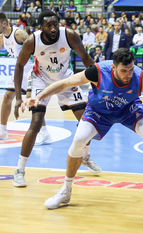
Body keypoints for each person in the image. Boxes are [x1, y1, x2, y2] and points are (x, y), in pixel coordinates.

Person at [21, 48, 143, 218]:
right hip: (98, 112)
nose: (128, 74)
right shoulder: (97, 72)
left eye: (131, 69)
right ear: (114, 68)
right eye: (124, 71)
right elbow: (65, 83)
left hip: (129, 109)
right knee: (79, 139)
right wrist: (39, 97)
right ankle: (66, 190)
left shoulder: (141, 78)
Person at [12, 10, 101, 187]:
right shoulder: (32, 41)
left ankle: (85, 156)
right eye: (48, 25)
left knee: (87, 121)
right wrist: (18, 97)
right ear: (41, 27)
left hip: (66, 79)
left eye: (55, 24)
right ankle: (19, 170)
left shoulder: (69, 35)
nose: (53, 28)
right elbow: (20, 66)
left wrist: (99, 81)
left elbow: (85, 58)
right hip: (40, 80)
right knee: (36, 123)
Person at [0, 13, 51, 144]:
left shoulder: (19, 34)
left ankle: (44, 133)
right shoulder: (1, 38)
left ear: (4, 23)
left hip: (32, 68)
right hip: (20, 69)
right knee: (7, 97)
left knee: (31, 100)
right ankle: (3, 131)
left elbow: (36, 46)